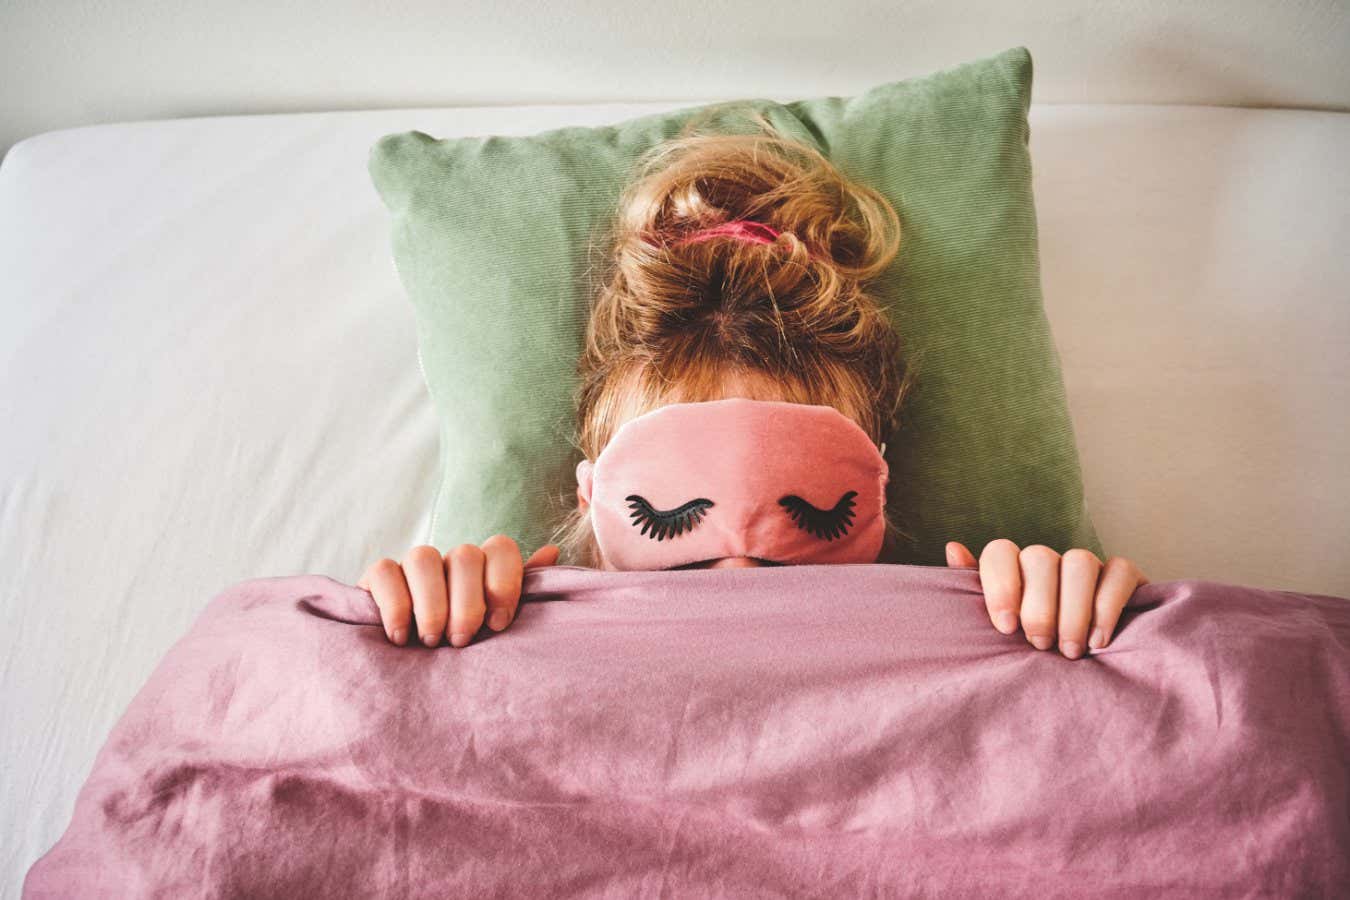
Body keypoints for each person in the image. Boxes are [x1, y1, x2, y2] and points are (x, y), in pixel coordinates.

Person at [359, 114, 1148, 661]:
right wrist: (422, 628)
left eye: (807, 516)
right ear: (590, 506)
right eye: (667, 520)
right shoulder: (504, 631)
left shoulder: (973, 622)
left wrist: (1086, 620)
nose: (738, 576)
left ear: (876, 491)